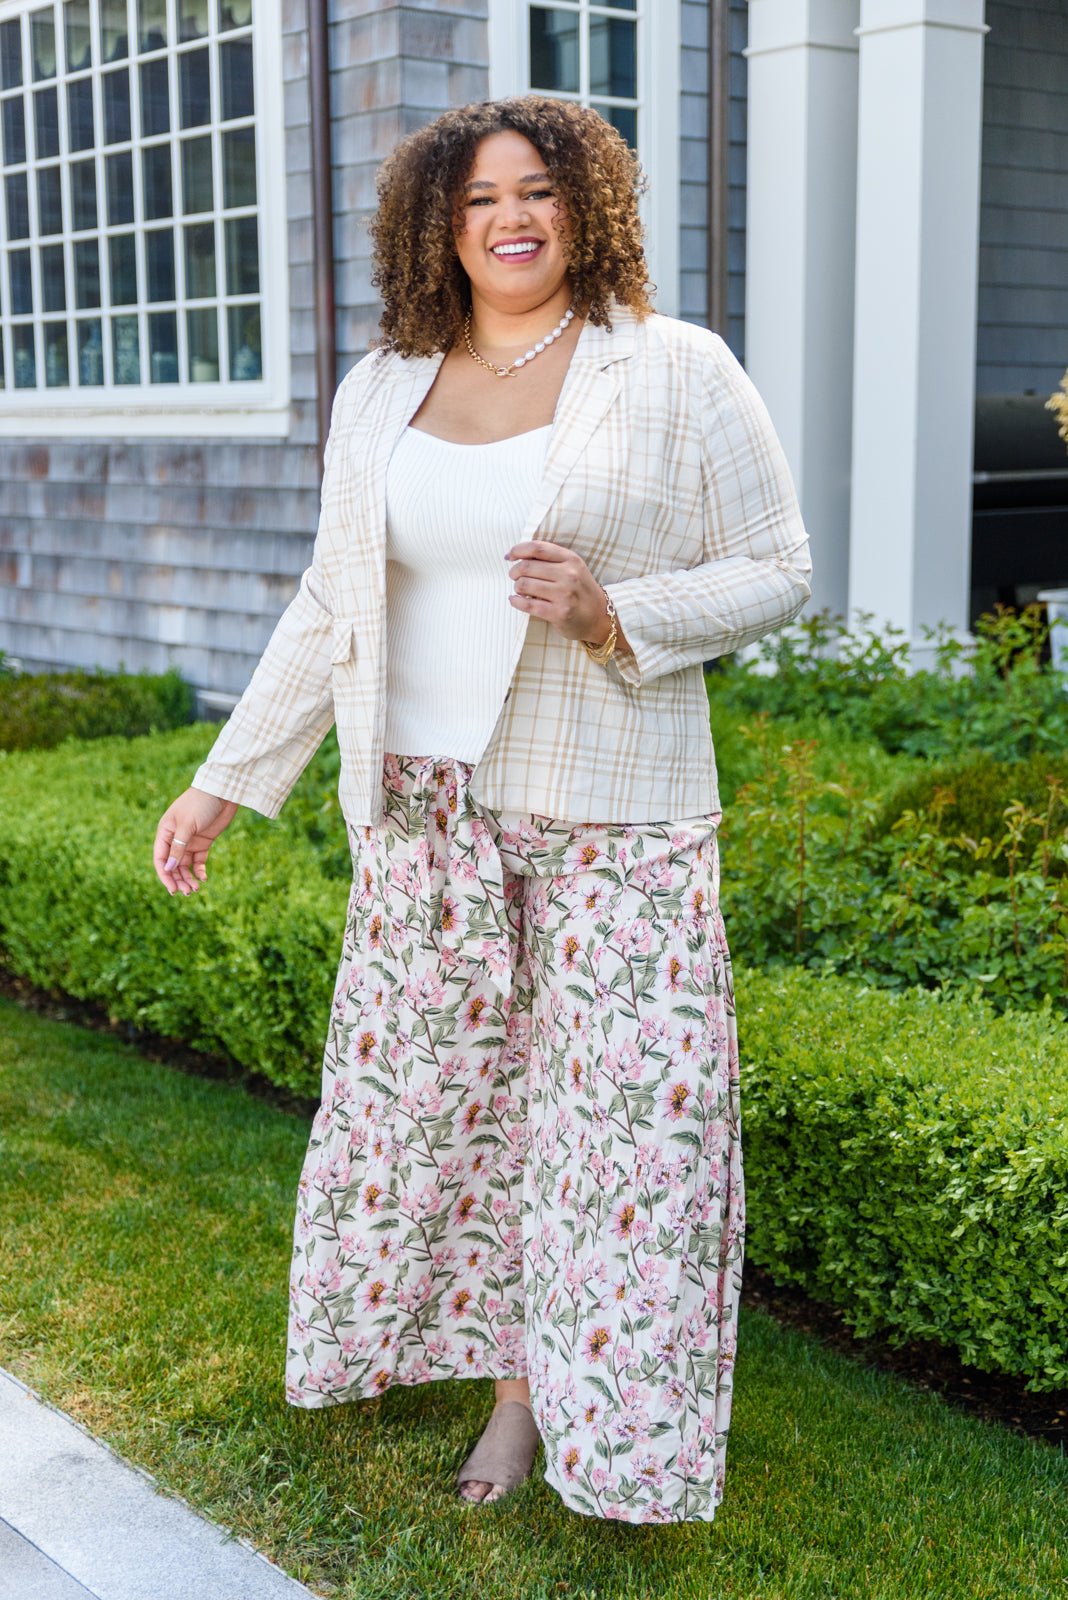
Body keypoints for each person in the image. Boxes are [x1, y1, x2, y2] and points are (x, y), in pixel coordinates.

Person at [153, 94, 813, 1525]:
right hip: (425, 818)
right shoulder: (383, 386)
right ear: (437, 227)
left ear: (586, 205)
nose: (511, 219)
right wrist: (226, 781)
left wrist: (614, 611)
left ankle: (605, 1428)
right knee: (456, 1113)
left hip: (612, 818)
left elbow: (780, 566)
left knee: (623, 1134)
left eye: (538, 191)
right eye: (477, 200)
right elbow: (334, 598)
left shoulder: (676, 367)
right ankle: (510, 1386)